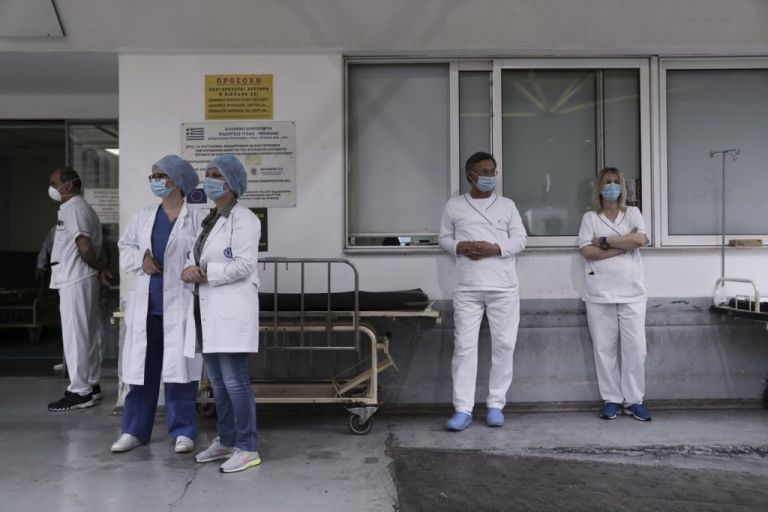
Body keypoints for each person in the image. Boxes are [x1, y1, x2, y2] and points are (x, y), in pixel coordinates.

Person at [111, 155, 206, 454]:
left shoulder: (198, 217)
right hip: (147, 307)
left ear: (176, 181)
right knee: (141, 370)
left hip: (180, 305)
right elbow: (125, 246)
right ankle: (134, 431)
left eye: (159, 176)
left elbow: (204, 252)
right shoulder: (143, 216)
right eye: (152, 176)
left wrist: (194, 266)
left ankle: (183, 431)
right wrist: (141, 258)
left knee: (180, 372)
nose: (154, 181)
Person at [181, 154, 262, 473]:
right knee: (217, 381)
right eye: (208, 174)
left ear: (233, 182)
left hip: (231, 310)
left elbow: (244, 265)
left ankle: (248, 446)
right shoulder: (209, 219)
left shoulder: (245, 219)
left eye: (217, 175)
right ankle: (227, 439)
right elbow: (194, 256)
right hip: (205, 309)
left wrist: (205, 273)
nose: (210, 180)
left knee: (235, 381)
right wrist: (188, 269)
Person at [438, 151, 527, 431]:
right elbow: (443, 238)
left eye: (492, 171)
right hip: (468, 286)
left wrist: (495, 248)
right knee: (464, 347)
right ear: (471, 174)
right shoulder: (454, 205)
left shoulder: (507, 205)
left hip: (503, 286)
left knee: (504, 345)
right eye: (484, 172)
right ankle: (462, 409)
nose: (489, 176)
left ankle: (495, 405)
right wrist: (459, 246)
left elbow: (520, 239)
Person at [577, 167, 652, 422]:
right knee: (604, 348)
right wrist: (623, 245)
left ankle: (634, 401)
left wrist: (604, 242)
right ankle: (611, 399)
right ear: (599, 187)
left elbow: (640, 240)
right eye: (607, 182)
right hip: (599, 293)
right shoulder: (590, 217)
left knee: (636, 349)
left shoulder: (632, 213)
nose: (612, 186)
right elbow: (587, 251)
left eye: (616, 181)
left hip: (632, 292)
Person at [47, 167, 108, 411]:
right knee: (87, 334)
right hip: (80, 277)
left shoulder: (74, 208)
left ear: (69, 185)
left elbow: (84, 246)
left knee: (76, 336)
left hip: (75, 278)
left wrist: (98, 267)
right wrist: (99, 268)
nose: (51, 188)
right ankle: (91, 384)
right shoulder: (81, 208)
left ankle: (80, 391)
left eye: (54, 183)